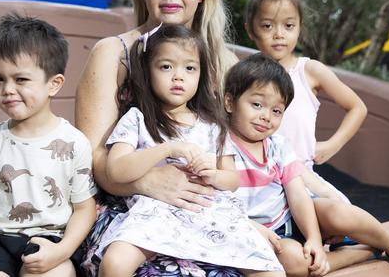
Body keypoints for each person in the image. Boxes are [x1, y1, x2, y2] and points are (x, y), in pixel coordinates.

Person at [75, 0, 240, 276]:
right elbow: (91, 159)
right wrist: (146, 181)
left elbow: (243, 156)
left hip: (207, 211)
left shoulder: (227, 65)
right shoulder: (114, 54)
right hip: (130, 215)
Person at [225, 54, 389, 277]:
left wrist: (314, 239)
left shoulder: (278, 146)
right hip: (264, 234)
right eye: (257, 104)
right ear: (229, 102)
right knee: (294, 263)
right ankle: (361, 254)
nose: (266, 117)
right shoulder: (220, 146)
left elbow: (298, 195)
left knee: (338, 211)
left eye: (276, 111)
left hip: (293, 217)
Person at [97, 24, 284, 277]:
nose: (178, 76)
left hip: (209, 212)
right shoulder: (137, 119)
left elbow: (232, 180)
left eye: (189, 68)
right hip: (157, 213)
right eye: (166, 67)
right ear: (147, 72)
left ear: (200, 74)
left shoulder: (212, 125)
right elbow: (116, 170)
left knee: (271, 270)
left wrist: (213, 174)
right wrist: (167, 149)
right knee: (115, 263)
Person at [0, 13, 97, 277]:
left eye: (20, 79)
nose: (7, 89)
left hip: (50, 239)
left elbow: (84, 208)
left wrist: (64, 251)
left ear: (54, 84)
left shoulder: (74, 143)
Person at [244, 0, 367, 204]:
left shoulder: (308, 71)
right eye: (267, 26)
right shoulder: (245, 75)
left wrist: (332, 144)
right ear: (250, 30)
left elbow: (357, 107)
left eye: (288, 25)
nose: (279, 34)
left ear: (299, 26)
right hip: (260, 183)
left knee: (342, 212)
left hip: (304, 178)